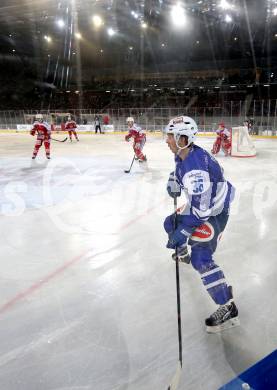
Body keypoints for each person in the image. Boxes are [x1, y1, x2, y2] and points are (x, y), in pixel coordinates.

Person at [164, 115, 239, 333]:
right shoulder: (184, 152)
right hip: (203, 205)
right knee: (170, 223)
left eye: (170, 136)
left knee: (201, 257)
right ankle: (183, 254)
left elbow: (201, 212)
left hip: (215, 212)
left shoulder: (195, 169)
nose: (167, 140)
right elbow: (181, 171)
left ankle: (228, 307)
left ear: (183, 138)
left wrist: (183, 233)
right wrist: (174, 179)